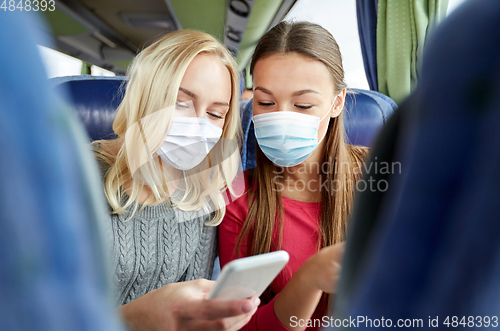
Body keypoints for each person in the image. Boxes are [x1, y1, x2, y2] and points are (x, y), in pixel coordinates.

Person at [93, 30, 258, 330]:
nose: (199, 125)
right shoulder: (77, 177)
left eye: (215, 113)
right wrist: (134, 317)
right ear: (147, 97)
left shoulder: (203, 194)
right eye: (182, 103)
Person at [218, 21, 368, 331]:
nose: (281, 117)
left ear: (337, 102)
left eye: (302, 105)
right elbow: (244, 325)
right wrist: (311, 278)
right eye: (265, 103)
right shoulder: (237, 197)